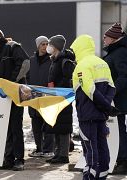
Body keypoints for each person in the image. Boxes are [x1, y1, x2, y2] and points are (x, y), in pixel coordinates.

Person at [71, 34, 117, 180]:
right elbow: (112, 87)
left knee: (91, 151)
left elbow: (89, 90)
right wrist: (106, 106)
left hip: (87, 116)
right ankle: (102, 177)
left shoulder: (82, 65)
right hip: (101, 116)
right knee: (103, 150)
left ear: (79, 48)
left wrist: (104, 105)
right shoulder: (102, 63)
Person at [0, 27, 29, 171]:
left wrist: (11, 84)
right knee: (6, 128)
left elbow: (25, 63)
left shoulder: (12, 46)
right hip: (3, 97)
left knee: (16, 127)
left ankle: (19, 160)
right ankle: (8, 159)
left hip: (16, 95)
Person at [45, 35, 75, 164]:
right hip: (55, 97)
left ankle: (63, 155)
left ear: (56, 47)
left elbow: (69, 79)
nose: (48, 47)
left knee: (63, 127)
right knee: (56, 126)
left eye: (50, 44)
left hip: (63, 98)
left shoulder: (65, 61)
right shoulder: (55, 60)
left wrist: (56, 86)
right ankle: (58, 153)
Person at [102, 23, 127, 174]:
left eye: (106, 37)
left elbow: (124, 75)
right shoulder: (115, 51)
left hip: (120, 100)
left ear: (113, 38)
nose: (104, 39)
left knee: (120, 130)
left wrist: (112, 91)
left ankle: (123, 161)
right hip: (117, 99)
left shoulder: (120, 52)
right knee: (118, 130)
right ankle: (120, 159)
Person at [28, 36, 54, 158]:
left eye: (46, 44)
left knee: (48, 123)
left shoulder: (52, 60)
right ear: (38, 46)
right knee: (36, 124)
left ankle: (48, 149)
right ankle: (39, 148)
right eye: (42, 44)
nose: (44, 46)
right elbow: (27, 77)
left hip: (47, 97)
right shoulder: (31, 60)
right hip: (33, 97)